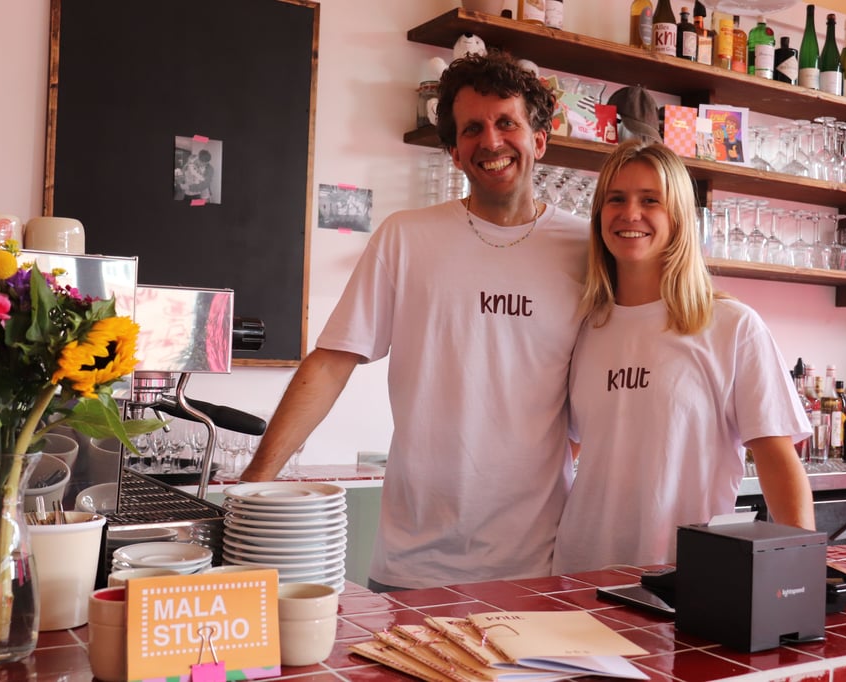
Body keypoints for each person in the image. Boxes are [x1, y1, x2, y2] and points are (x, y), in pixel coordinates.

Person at [240, 51, 589, 591]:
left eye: (507, 123)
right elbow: (332, 364)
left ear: (539, 140)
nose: (491, 141)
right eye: (472, 129)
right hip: (415, 562)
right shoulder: (406, 237)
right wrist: (253, 485)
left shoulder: (586, 251)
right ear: (454, 152)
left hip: (538, 563)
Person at [552, 139, 846, 608]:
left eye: (650, 200)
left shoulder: (731, 325)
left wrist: (807, 562)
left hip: (683, 578)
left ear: (678, 217)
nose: (629, 213)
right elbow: (569, 449)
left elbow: (777, 459)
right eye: (616, 199)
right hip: (579, 573)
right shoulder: (584, 325)